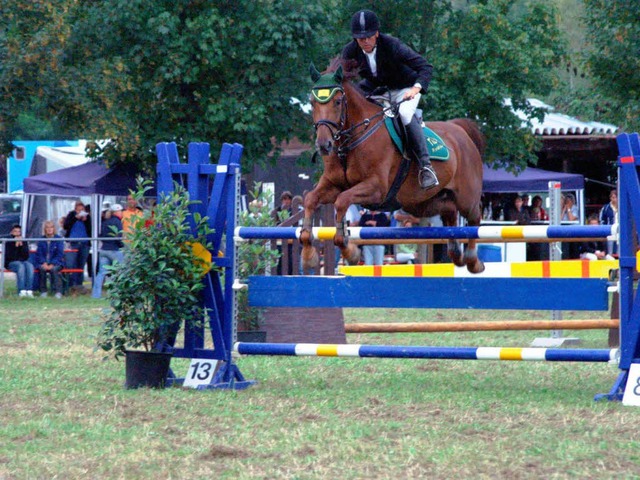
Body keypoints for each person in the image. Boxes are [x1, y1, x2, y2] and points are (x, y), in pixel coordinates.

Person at [341, 9, 438, 190]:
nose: (366, 42)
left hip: (404, 88)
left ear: (376, 33)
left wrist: (416, 89)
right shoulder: (350, 51)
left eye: (369, 37)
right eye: (361, 39)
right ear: (355, 39)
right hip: (376, 89)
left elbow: (425, 66)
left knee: (405, 113)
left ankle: (426, 167)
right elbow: (340, 77)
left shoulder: (392, 45)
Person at [92, 204, 124, 299]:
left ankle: (96, 295)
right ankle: (118, 294)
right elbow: (118, 237)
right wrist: (123, 247)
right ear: (117, 212)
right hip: (114, 250)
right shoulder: (118, 222)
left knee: (101, 273)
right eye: (121, 211)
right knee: (120, 272)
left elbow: (101, 235)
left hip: (104, 249)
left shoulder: (105, 222)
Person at [63, 200, 91, 293]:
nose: (80, 211)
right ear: (75, 209)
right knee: (72, 264)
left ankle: (80, 284)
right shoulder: (71, 215)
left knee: (81, 264)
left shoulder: (87, 217)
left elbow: (91, 229)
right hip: (73, 242)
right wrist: (76, 218)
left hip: (84, 243)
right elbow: (66, 225)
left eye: (82, 209)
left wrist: (86, 221)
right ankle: (72, 284)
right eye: (78, 210)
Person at [35, 220, 65, 299]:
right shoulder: (41, 240)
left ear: (54, 228)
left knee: (54, 269)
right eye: (47, 227)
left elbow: (60, 254)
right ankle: (43, 291)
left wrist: (52, 263)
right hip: (43, 262)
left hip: (57, 262)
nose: (49, 229)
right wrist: (44, 262)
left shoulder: (59, 239)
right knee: (42, 269)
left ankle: (58, 292)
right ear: (44, 229)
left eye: (51, 227)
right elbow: (39, 253)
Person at [4, 224, 34, 297]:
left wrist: (22, 246)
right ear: (11, 232)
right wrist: (15, 246)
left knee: (30, 266)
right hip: (10, 263)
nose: (17, 233)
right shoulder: (8, 241)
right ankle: (21, 290)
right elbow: (9, 257)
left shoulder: (24, 241)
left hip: (22, 261)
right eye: (15, 231)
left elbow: (26, 256)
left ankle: (29, 290)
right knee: (20, 266)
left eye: (19, 232)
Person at [599, 189, 618, 256]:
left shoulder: (621, 207)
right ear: (610, 198)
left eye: (615, 197)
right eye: (612, 197)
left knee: (619, 247)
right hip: (609, 230)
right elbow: (601, 219)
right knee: (610, 248)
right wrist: (604, 228)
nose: (614, 199)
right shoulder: (606, 208)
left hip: (619, 230)